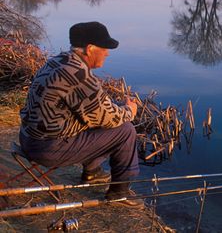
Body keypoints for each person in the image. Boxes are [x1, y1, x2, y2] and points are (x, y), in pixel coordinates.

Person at [19, 22, 144, 209]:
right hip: (47, 148)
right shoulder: (78, 74)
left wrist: (117, 107)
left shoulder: (59, 60)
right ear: (90, 48)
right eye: (105, 48)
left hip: (29, 138)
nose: (107, 53)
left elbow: (96, 108)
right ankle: (120, 193)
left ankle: (92, 172)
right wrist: (130, 111)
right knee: (126, 130)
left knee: (99, 118)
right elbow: (110, 119)